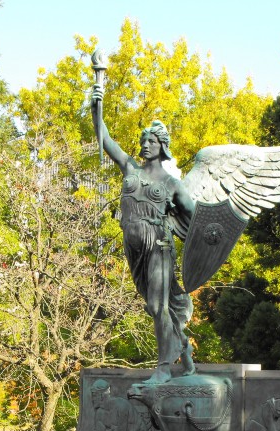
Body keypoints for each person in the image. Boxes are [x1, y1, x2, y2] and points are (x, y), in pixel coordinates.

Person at [91, 84, 196, 384]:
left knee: (156, 305)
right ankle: (184, 352)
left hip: (159, 245)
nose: (145, 144)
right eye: (143, 140)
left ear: (162, 145)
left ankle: (164, 368)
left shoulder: (173, 183)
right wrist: (95, 105)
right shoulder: (130, 169)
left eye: (150, 140)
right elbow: (105, 136)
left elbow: (195, 217)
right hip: (133, 247)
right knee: (155, 307)